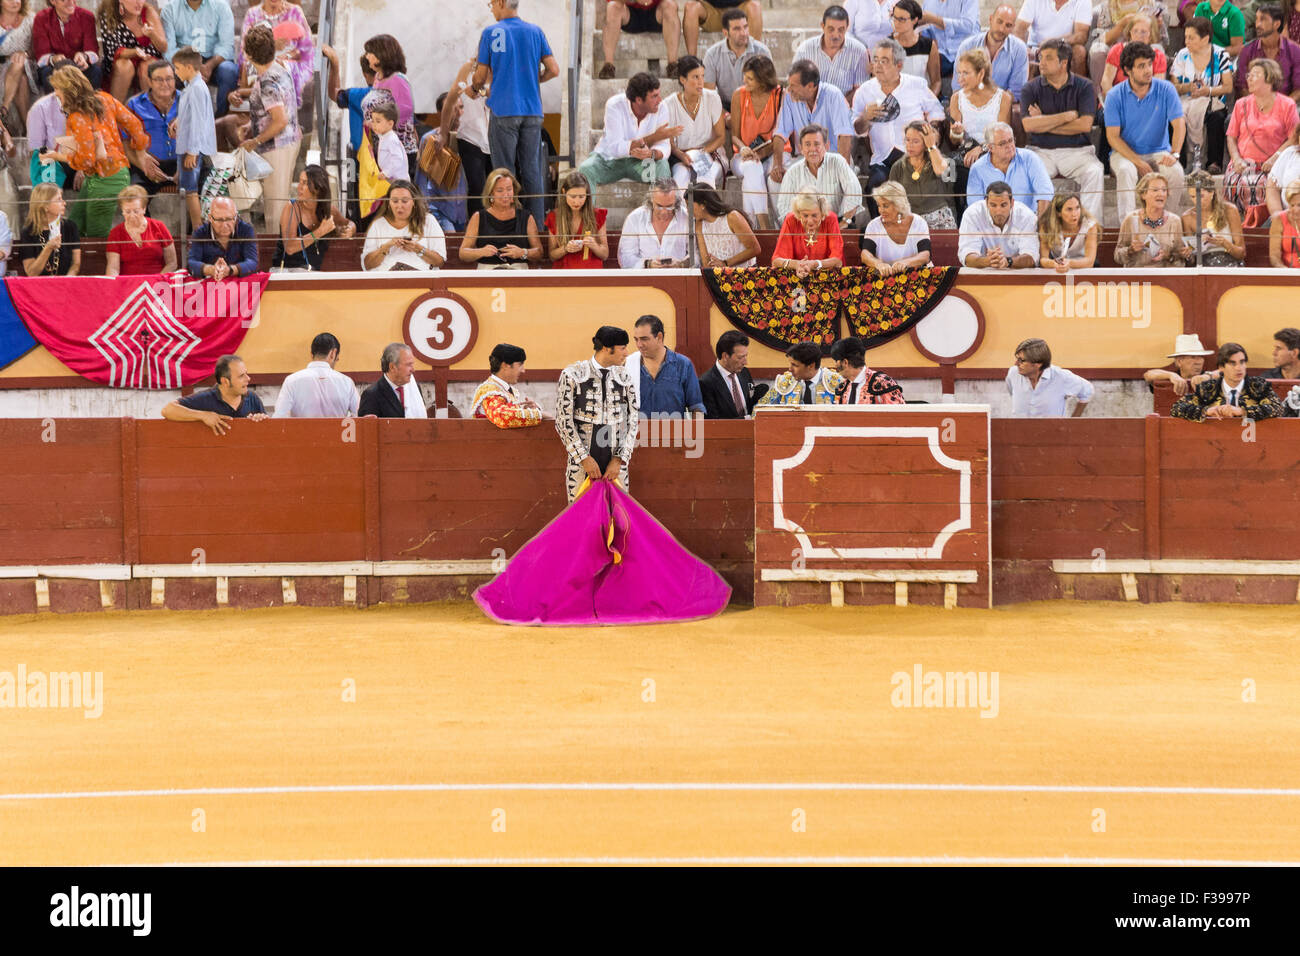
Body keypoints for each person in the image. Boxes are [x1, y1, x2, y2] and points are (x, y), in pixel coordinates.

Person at [473, 0, 560, 231]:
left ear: (501, 2)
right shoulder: (535, 31)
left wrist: (474, 86)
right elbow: (554, 69)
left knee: (503, 172)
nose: (491, 8)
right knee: (533, 171)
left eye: (492, 3)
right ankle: (537, 228)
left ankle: (508, 226)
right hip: (532, 110)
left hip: (503, 110)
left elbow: (480, 77)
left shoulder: (491, 33)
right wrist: (534, 80)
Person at [50, 64, 150, 238]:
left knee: (97, 237)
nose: (56, 94)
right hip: (110, 174)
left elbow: (87, 160)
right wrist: (139, 148)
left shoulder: (77, 117)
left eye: (57, 89)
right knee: (74, 226)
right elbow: (134, 123)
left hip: (106, 180)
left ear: (68, 90)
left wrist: (63, 157)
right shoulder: (105, 98)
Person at [1020, 38, 1105, 224]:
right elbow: (1029, 126)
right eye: (1040, 57)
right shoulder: (1030, 88)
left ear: (1063, 63)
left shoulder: (1085, 87)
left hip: (1077, 152)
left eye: (1048, 58)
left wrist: (1044, 120)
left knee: (1095, 171)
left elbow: (1084, 126)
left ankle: (1089, 234)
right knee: (1023, 172)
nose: (1041, 62)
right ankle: (1031, 233)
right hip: (1040, 151)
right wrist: (1066, 116)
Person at [555, 326, 639, 502]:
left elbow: (632, 420)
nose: (627, 352)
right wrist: (583, 458)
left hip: (614, 462)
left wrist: (619, 459)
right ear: (607, 349)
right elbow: (563, 422)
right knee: (581, 517)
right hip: (582, 462)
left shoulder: (624, 377)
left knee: (617, 517)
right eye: (622, 347)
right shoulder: (572, 375)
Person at [851, 39, 941, 198]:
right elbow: (856, 130)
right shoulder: (864, 91)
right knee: (874, 187)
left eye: (884, 61)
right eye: (876, 60)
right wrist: (866, 117)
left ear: (899, 65)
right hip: (882, 159)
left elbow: (936, 111)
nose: (877, 65)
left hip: (914, 156)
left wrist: (932, 130)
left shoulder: (917, 85)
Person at [1106, 42, 1186, 219]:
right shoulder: (1114, 95)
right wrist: (1138, 162)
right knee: (1127, 170)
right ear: (1127, 70)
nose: (1148, 70)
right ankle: (1128, 230)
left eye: (1150, 64)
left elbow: (1179, 124)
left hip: (1159, 151)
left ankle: (1166, 224)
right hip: (1124, 154)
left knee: (1176, 173)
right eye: (1141, 66)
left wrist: (1175, 153)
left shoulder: (1166, 89)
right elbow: (1112, 137)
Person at [236, 23, 301, 231]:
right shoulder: (279, 67)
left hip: (277, 147)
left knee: (275, 211)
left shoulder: (267, 81)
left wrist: (255, 140)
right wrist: (251, 124)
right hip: (289, 141)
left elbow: (280, 120)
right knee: (279, 204)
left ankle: (277, 258)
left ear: (249, 55)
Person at [1225, 58, 1299, 214]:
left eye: (1256, 74)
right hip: (1243, 164)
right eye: (1249, 75)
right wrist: (1236, 159)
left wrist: (1275, 157)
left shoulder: (1287, 105)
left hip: (1272, 164)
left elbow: (1295, 137)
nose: (1249, 78)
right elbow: (1231, 136)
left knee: (1257, 185)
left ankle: (1261, 229)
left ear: (1270, 78)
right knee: (1235, 182)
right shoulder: (1241, 104)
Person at [579, 72, 679, 186]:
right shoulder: (614, 105)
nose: (660, 100)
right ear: (639, 100)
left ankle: (658, 204)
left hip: (641, 164)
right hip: (610, 161)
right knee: (586, 169)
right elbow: (615, 148)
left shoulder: (661, 107)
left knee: (662, 165)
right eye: (654, 96)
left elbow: (664, 145)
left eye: (658, 95)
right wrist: (654, 137)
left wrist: (651, 153)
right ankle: (589, 204)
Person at [948, 47, 1011, 211]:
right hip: (966, 154)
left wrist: (981, 148)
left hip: (994, 150)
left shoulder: (1003, 98)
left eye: (965, 73)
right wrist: (956, 132)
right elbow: (955, 141)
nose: (960, 78)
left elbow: (1003, 136)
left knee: (982, 166)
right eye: (958, 73)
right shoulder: (956, 98)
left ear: (981, 74)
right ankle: (965, 218)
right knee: (957, 171)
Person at [1169, 17, 1234, 173]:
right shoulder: (1182, 55)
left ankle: (1214, 163)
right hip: (1186, 100)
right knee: (1175, 117)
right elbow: (1173, 86)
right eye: (1185, 37)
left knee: (1217, 118)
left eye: (1191, 37)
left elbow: (1228, 87)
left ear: (1205, 39)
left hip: (1213, 101)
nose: (1186, 41)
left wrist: (1208, 91)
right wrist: (1187, 87)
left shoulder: (1220, 55)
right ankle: (1179, 162)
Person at [773, 59, 855, 176]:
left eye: (793, 86)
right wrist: (777, 165)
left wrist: (842, 170)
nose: (789, 89)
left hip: (833, 158)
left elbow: (845, 135)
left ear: (810, 86)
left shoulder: (833, 95)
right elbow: (780, 134)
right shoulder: (789, 96)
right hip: (804, 159)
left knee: (832, 182)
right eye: (788, 85)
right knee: (774, 181)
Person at [775, 123, 863, 224]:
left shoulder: (838, 162)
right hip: (805, 224)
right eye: (807, 145)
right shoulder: (792, 172)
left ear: (827, 146)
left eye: (817, 144)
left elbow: (854, 191)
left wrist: (843, 222)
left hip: (838, 222)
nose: (812, 149)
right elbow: (784, 208)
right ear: (801, 148)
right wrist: (803, 227)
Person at [729, 53, 780, 228]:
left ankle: (751, 228)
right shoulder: (738, 95)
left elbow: (782, 134)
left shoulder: (779, 95)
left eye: (750, 78)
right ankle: (766, 228)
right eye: (745, 76)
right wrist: (743, 148)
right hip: (742, 156)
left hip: (772, 151)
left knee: (753, 174)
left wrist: (762, 152)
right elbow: (734, 135)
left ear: (763, 80)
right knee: (751, 167)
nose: (745, 80)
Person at [161, 0, 237, 117]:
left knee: (228, 71)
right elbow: (169, 50)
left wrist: (209, 66)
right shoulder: (170, 9)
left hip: (214, 61)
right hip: (184, 61)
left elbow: (226, 46)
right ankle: (172, 121)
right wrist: (190, 67)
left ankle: (220, 121)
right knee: (166, 73)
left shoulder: (221, 6)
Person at [1171, 341, 1284, 420]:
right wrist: (1206, 411)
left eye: (1242, 362)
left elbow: (1278, 408)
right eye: (1232, 363)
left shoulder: (1258, 386)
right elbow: (1177, 408)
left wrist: (1242, 411)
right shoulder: (1208, 389)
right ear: (1221, 367)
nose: (1239, 368)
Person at [438, 58, 492, 219]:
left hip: (497, 137)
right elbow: (450, 101)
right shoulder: (468, 69)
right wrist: (443, 133)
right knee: (477, 187)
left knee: (499, 185)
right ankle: (477, 230)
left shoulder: (501, 68)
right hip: (470, 137)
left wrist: (479, 90)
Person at [161, 354, 267, 434]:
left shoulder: (253, 398)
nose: (248, 379)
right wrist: (203, 416)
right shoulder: (205, 398)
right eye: (241, 376)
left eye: (246, 374)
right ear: (225, 381)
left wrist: (262, 419)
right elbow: (167, 410)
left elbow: (268, 434)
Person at [277, 165, 356, 272]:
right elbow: (290, 247)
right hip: (286, 272)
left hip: (311, 275)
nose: (299, 187)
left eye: (304, 183)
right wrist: (320, 232)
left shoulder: (329, 210)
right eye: (299, 182)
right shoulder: (292, 208)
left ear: (318, 188)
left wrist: (351, 229)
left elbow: (348, 223)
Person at [664, 54, 727, 189]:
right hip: (682, 159)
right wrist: (682, 156)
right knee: (680, 178)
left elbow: (721, 137)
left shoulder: (712, 98)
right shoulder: (669, 104)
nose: (701, 82)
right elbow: (669, 143)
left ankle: (709, 209)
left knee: (705, 174)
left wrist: (701, 152)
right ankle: (679, 210)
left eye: (702, 76)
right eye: (695, 77)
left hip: (711, 155)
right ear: (682, 80)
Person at [170, 45, 215, 231]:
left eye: (177, 68)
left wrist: (193, 151)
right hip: (187, 145)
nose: (175, 72)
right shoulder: (191, 87)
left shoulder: (197, 88)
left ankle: (198, 230)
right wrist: (179, 121)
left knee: (190, 192)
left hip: (192, 148)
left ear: (189, 67)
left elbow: (198, 121)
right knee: (188, 190)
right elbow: (191, 114)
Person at [237, 0, 314, 109]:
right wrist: (272, 48)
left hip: (289, 62)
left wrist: (285, 56)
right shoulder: (252, 14)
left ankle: (282, 111)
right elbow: (245, 49)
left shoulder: (295, 11)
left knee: (281, 66)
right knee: (249, 65)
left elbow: (306, 49)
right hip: (259, 59)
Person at [460, 168, 542, 270]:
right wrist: (481, 251)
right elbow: (463, 253)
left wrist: (523, 252)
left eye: (509, 189)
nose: (506, 194)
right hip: (487, 272)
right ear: (491, 193)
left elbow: (539, 252)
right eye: (500, 190)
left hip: (518, 271)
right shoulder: (479, 217)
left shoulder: (526, 217)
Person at [626, 314, 706, 417]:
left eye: (644, 339)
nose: (639, 345)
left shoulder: (683, 365)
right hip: (638, 432)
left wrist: (697, 432)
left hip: (674, 432)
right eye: (636, 339)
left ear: (659, 337)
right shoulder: (629, 364)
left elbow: (696, 407)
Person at [966, 121, 1054, 214]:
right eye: (1002, 143)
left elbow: (1045, 193)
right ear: (990, 148)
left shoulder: (1030, 158)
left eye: (1011, 140)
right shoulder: (977, 169)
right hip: (993, 222)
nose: (1009, 146)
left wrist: (1041, 224)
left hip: (1028, 221)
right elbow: (975, 205)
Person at [362, 180, 446, 272]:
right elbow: (368, 265)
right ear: (389, 203)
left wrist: (418, 248)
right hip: (387, 281)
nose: (399, 206)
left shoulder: (429, 221)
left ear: (414, 202)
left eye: (405, 201)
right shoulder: (378, 225)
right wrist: (387, 246)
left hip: (420, 280)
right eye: (395, 201)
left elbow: (439, 262)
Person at [274, 333, 359, 419]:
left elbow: (279, 418)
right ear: (333, 353)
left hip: (302, 432)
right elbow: (359, 416)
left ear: (311, 355)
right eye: (337, 359)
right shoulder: (347, 382)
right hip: (337, 432)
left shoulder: (291, 381)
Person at [1116, 172, 1192, 266]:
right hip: (1138, 276)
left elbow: (1180, 258)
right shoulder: (1130, 219)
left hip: (1165, 277)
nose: (1161, 194)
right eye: (1155, 190)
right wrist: (1130, 250)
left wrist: (1168, 256)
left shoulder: (1174, 221)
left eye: (1164, 190)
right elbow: (1117, 256)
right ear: (1143, 194)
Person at [888, 118, 954, 227]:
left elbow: (940, 170)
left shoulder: (944, 161)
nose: (909, 145)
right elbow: (893, 199)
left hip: (939, 220)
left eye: (915, 141)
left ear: (926, 143)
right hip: (910, 220)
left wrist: (931, 146)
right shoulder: (897, 167)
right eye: (907, 140)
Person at [702, 6, 771, 110]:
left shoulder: (762, 52)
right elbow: (708, 95)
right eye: (737, 29)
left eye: (745, 27)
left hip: (754, 103)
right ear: (726, 33)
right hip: (724, 105)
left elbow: (768, 89)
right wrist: (725, 116)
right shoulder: (712, 54)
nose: (743, 33)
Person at [958, 180, 1039, 268]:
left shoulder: (1026, 216)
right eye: (993, 205)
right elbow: (966, 257)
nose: (998, 211)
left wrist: (1008, 261)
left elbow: (1031, 258)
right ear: (986, 203)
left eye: (1003, 205)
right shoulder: (972, 214)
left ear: (1012, 203)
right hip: (983, 273)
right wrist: (989, 261)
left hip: (1017, 274)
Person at [126, 59, 177, 196]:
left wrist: (186, 170)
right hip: (146, 165)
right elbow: (124, 143)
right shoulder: (134, 105)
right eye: (159, 79)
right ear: (149, 82)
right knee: (134, 196)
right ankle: (143, 219)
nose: (165, 84)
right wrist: (142, 164)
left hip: (182, 164)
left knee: (209, 186)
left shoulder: (186, 101)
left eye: (169, 79)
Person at [796, 5, 870, 99]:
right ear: (822, 26)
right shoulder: (805, 50)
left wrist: (839, 107)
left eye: (841, 30)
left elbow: (859, 90)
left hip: (845, 109)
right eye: (831, 29)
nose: (836, 35)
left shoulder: (859, 51)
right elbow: (795, 85)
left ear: (847, 27)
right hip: (810, 109)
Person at [98, 0, 166, 103]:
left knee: (147, 67)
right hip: (119, 63)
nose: (139, 3)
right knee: (124, 65)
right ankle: (115, 112)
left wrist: (152, 35)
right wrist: (136, 52)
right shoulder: (108, 14)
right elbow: (113, 51)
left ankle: (150, 113)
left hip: (148, 59)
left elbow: (163, 47)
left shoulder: (148, 11)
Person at [1007, 337, 1092, 417]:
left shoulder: (1061, 377)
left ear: (1038, 364)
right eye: (1017, 358)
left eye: (1021, 360)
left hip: (1053, 431)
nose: (1016, 364)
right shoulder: (1013, 373)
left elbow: (1087, 391)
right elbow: (1012, 392)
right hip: (1018, 431)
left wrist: (1073, 422)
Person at [860, 180, 932, 274]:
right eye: (879, 206)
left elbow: (925, 255)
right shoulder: (874, 225)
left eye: (885, 206)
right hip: (885, 278)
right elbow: (865, 255)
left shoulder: (919, 222)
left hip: (917, 276)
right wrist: (878, 264)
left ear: (899, 205)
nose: (881, 210)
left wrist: (906, 263)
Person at [956, 5, 1028, 99]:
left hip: (1002, 105)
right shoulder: (967, 45)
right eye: (999, 22)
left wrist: (991, 104)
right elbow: (958, 85)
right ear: (990, 19)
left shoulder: (1019, 49)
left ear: (1013, 27)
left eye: (1008, 25)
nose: (1002, 29)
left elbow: (1016, 90)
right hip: (970, 101)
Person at [618, 178, 693, 268]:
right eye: (659, 206)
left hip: (678, 277)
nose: (664, 212)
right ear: (651, 200)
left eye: (669, 206)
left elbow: (696, 254)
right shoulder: (634, 218)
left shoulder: (686, 218)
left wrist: (681, 264)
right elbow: (625, 257)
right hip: (644, 279)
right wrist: (647, 264)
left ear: (676, 202)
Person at [1091, 0, 1167, 87]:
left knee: (1157, 49)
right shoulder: (1107, 6)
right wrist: (1122, 24)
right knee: (1098, 50)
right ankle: (1098, 96)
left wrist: (1157, 26)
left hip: (1146, 45)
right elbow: (1102, 39)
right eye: (1135, 31)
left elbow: (1163, 40)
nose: (1139, 34)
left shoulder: (1151, 4)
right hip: (1115, 47)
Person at [105, 183, 176, 275]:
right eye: (127, 211)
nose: (132, 215)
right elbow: (113, 268)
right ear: (122, 211)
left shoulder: (159, 227)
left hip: (157, 284)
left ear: (144, 209)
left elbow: (172, 263)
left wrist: (156, 280)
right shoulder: (115, 233)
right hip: (128, 285)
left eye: (136, 211)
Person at [600, 0, 682, 80]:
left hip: (657, 11)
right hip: (629, 13)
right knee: (613, 6)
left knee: (670, 5)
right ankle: (608, 66)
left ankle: (672, 65)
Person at [32, 0, 101, 93]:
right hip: (55, 67)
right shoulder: (41, 18)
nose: (71, 2)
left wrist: (84, 56)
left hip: (79, 66)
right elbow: (41, 54)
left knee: (95, 71)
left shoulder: (87, 16)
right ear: (53, 1)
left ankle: (90, 106)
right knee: (46, 72)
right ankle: (56, 106)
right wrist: (53, 59)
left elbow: (93, 50)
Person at [771, 185, 844, 272]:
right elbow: (776, 260)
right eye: (805, 215)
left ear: (822, 211)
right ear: (798, 212)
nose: (810, 221)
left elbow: (837, 260)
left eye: (814, 215)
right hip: (796, 275)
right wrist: (797, 265)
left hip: (827, 276)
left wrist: (815, 264)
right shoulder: (791, 220)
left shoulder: (830, 219)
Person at [472, 343, 544, 428]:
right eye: (520, 365)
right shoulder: (488, 390)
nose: (523, 370)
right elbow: (502, 416)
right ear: (505, 365)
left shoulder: (505, 390)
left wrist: (526, 409)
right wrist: (539, 414)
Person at [1181, 169, 1245, 266]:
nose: (1197, 201)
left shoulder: (1230, 210)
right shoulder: (1187, 217)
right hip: (1202, 266)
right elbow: (1191, 262)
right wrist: (1188, 255)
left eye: (1201, 196)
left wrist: (1225, 244)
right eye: (1193, 197)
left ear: (1212, 192)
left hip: (1230, 263)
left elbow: (1242, 253)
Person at [547, 170, 609, 269]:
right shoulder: (554, 216)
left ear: (587, 195)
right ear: (564, 192)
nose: (577, 201)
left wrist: (594, 246)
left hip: (590, 272)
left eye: (581, 197)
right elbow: (552, 255)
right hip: (564, 273)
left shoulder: (597, 215)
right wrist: (565, 248)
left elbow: (605, 255)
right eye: (573, 196)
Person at [187, 195, 257, 278]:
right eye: (219, 220)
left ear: (236, 217)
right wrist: (211, 270)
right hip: (210, 285)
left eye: (229, 219)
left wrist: (230, 270)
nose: (224, 225)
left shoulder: (246, 230)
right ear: (210, 218)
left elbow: (253, 262)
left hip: (239, 285)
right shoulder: (200, 233)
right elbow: (191, 263)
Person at [693, 182, 760, 267]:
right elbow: (706, 263)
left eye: (689, 205)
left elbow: (755, 249)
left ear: (703, 204)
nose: (688, 210)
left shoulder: (732, 217)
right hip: (719, 275)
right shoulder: (699, 225)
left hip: (745, 273)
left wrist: (725, 263)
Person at [1014, 0, 1090, 74]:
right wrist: (1023, 50)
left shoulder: (1082, 1)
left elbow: (1081, 36)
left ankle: (1078, 86)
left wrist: (1054, 43)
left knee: (1080, 51)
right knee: (1021, 54)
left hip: (1063, 47)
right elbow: (1018, 29)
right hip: (1036, 47)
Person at [18, 182, 78, 276]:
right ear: (45, 206)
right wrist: (48, 248)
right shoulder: (28, 232)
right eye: (59, 199)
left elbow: (76, 264)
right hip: (38, 286)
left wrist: (67, 281)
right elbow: (31, 273)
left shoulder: (70, 226)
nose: (64, 203)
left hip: (65, 285)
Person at [761, 341, 845, 404]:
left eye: (795, 365)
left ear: (811, 366)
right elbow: (760, 409)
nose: (790, 369)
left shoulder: (838, 383)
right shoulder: (784, 382)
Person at [1100, 14, 1166, 94]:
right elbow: (1106, 81)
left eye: (1143, 32)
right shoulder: (1117, 50)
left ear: (1151, 36)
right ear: (1130, 33)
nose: (1138, 36)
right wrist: (1115, 101)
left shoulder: (1158, 56)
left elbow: (1157, 89)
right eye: (1135, 31)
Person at [358, 343, 428, 419]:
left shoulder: (415, 389)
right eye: (408, 365)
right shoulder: (372, 395)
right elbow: (366, 428)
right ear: (392, 367)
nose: (413, 370)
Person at [699, 329, 757, 418]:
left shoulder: (744, 372)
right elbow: (712, 422)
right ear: (725, 356)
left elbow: (751, 401)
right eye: (740, 357)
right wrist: (747, 420)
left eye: (746, 356)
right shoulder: (706, 383)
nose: (746, 362)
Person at [831, 335, 905, 403]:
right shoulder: (843, 387)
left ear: (845, 362)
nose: (835, 365)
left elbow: (900, 415)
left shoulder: (882, 383)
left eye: (836, 361)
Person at [1037, 189, 1098, 269]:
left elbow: (1089, 261)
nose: (1074, 214)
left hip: (1083, 268)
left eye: (1077, 208)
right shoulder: (1046, 226)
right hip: (1056, 266)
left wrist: (1069, 263)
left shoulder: (1089, 226)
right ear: (1058, 213)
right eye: (1069, 209)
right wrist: (1054, 264)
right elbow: (1043, 259)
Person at [1143, 332, 1215, 398]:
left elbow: (1220, 375)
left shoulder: (1208, 376)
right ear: (1179, 362)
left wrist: (1207, 376)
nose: (1198, 362)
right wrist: (1171, 375)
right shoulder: (1173, 377)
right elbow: (1148, 375)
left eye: (1201, 357)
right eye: (1193, 357)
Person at [920, 0, 980, 77]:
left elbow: (968, 25)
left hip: (965, 53)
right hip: (940, 54)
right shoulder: (928, 2)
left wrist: (935, 20)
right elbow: (926, 31)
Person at [892, 0, 941, 95]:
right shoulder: (887, 45)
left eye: (902, 19)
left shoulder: (929, 45)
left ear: (915, 20)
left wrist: (927, 101)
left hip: (921, 99)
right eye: (895, 18)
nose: (896, 23)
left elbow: (936, 82)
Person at [687, 0, 765, 58]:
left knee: (755, 6)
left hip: (738, 12)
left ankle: (753, 60)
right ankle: (692, 61)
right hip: (711, 11)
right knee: (691, 7)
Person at [0, 0, 34, 131]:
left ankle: (4, 108)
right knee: (22, 82)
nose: (15, 2)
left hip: (27, 65)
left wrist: (25, 53)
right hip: (2, 65)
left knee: (18, 62)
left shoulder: (30, 19)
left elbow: (38, 47)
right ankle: (28, 129)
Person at [368, 100, 406, 185]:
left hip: (397, 180)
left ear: (390, 124)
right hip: (391, 177)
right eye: (373, 121)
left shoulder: (391, 139)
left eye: (378, 121)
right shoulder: (384, 135)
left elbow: (398, 159)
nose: (374, 125)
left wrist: (386, 173)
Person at [1268, 179, 1300, 265]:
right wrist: (1286, 273)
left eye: (1299, 205)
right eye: (1292, 205)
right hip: (1287, 273)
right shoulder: (1279, 219)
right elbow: (1275, 258)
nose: (1296, 210)